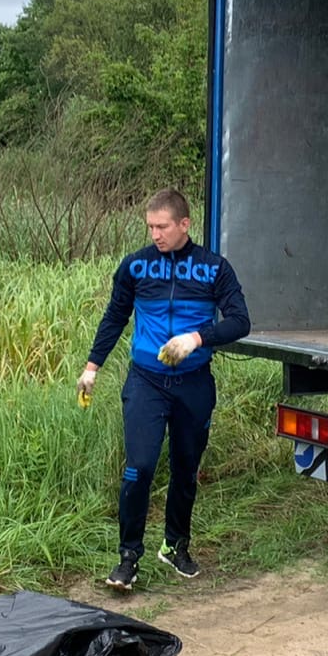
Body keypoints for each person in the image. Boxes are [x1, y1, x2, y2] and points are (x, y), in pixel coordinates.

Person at [78, 189, 251, 591]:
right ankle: (128, 557)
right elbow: (115, 317)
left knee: (186, 470)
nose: (155, 234)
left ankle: (175, 545)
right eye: (150, 227)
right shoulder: (136, 266)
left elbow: (241, 321)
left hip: (193, 383)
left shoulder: (213, 268)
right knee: (139, 468)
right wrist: (91, 368)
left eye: (162, 226)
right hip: (147, 382)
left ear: (184, 224)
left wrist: (196, 338)